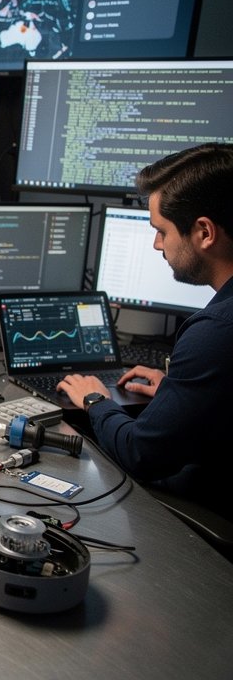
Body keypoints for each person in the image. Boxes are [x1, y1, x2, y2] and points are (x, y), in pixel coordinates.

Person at [57, 142, 233, 521]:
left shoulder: (214, 333)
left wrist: (95, 401)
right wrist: (179, 390)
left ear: (204, 232)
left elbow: (142, 454)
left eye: (161, 231)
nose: (157, 245)